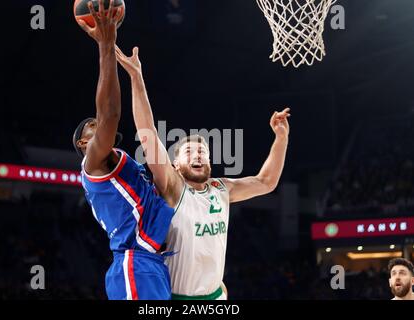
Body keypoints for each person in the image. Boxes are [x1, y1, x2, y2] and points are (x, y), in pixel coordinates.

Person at [115, 45, 290, 300]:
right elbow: (148, 133)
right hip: (177, 297)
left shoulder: (222, 188)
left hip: (216, 295)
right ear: (175, 164)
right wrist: (136, 76)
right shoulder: (172, 187)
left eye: (202, 152)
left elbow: (266, 181)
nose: (198, 155)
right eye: (189, 152)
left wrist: (281, 138)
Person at [73, 0, 174, 300]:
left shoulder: (123, 167)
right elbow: (110, 115)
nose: (98, 125)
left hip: (153, 263)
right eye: (91, 125)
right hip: (135, 263)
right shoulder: (93, 164)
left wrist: (136, 78)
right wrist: (107, 44)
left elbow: (149, 138)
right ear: (83, 144)